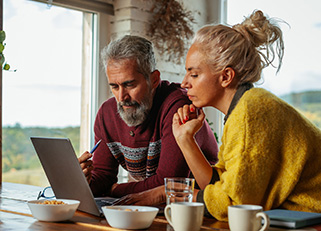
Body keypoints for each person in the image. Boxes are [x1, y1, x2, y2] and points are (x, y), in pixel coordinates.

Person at [117, 10, 321, 221]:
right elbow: (218, 185)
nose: (185, 83)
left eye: (194, 74)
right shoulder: (242, 109)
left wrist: (166, 192)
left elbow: (234, 206)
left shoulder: (252, 111)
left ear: (226, 76)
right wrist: (185, 139)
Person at [78, 35, 218, 199]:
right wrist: (84, 181)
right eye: (114, 87)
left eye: (129, 85)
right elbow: (103, 176)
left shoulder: (179, 107)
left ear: (154, 79)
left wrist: (113, 190)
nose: (122, 97)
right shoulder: (106, 114)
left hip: (198, 208)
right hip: (150, 206)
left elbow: (166, 184)